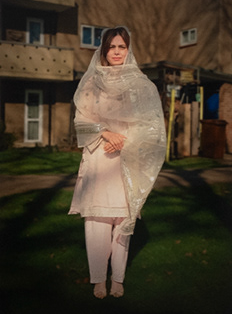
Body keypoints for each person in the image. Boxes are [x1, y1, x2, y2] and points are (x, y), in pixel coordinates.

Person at [67, 26, 167, 299]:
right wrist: (106, 133)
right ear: (103, 49)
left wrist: (125, 140)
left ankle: (118, 278)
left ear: (128, 49)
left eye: (121, 46)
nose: (116, 52)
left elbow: (150, 125)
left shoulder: (141, 85)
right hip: (99, 156)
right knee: (97, 223)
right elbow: (81, 119)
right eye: (111, 47)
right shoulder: (92, 82)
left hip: (127, 158)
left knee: (123, 221)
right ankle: (99, 278)